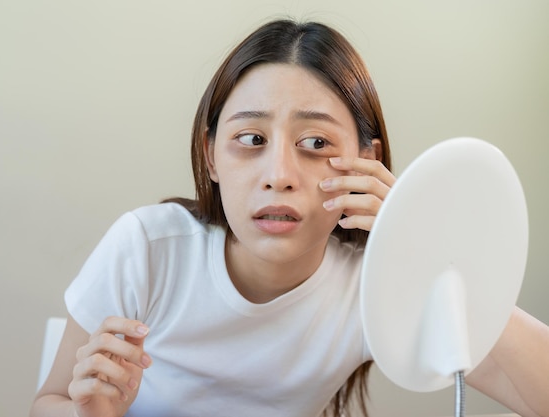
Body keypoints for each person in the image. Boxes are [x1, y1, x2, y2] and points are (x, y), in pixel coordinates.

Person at [30, 19, 549, 417]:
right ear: (211, 156)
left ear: (367, 162)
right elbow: (47, 402)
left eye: (315, 143)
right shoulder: (146, 248)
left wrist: (419, 245)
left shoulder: (374, 283)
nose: (279, 174)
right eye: (251, 140)